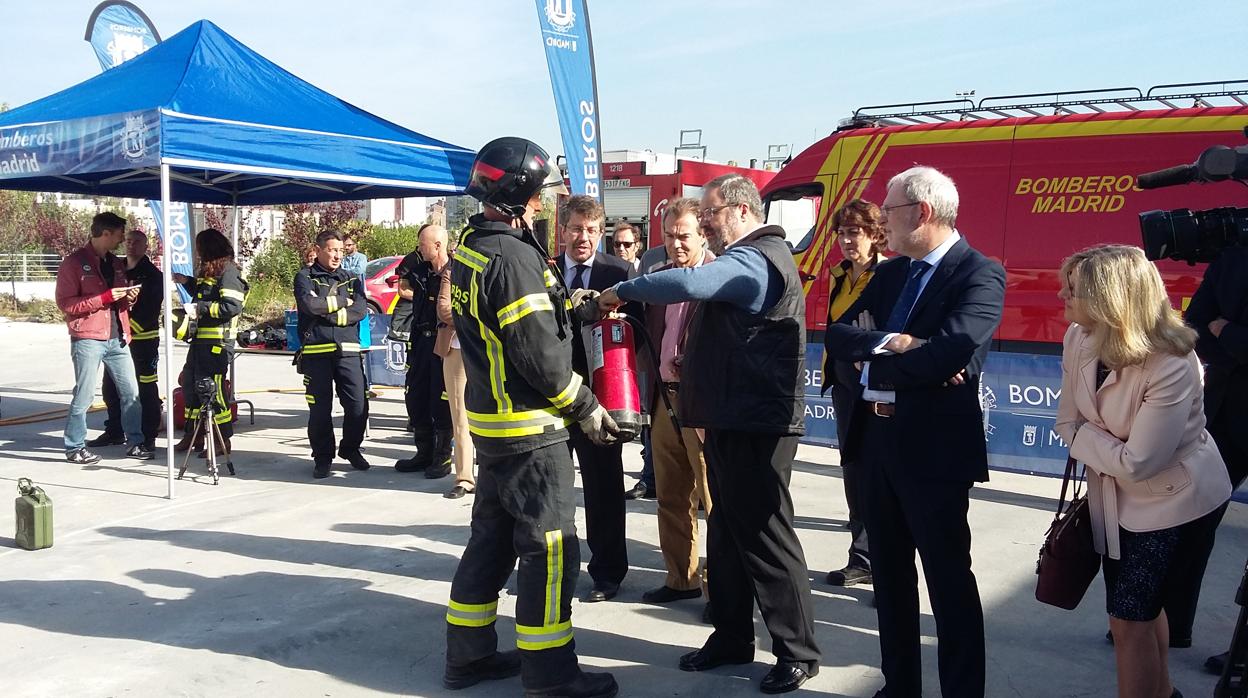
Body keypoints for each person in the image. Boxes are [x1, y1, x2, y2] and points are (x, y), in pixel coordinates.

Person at [599, 173, 821, 694]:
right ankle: (730, 636)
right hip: (731, 417)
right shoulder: (749, 256)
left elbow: (688, 282)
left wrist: (621, 289)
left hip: (757, 424)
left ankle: (798, 652)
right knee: (726, 535)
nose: (704, 223)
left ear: (742, 212)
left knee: (766, 538)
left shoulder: (756, 258)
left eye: (711, 213)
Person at [442, 137, 619, 697]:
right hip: (531, 430)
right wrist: (587, 407)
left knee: (490, 543)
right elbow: (541, 358)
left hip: (493, 428)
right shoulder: (514, 258)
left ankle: (466, 658)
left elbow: (516, 322)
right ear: (519, 195)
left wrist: (579, 307)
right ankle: (550, 673)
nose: (544, 203)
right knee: (550, 549)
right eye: (540, 193)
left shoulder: (474, 244)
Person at [823, 166, 1003, 698]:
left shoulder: (978, 273)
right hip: (875, 444)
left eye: (890, 210)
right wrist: (899, 346)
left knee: (949, 584)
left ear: (921, 213)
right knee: (891, 583)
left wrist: (875, 356)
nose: (882, 220)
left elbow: (951, 354)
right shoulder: (890, 274)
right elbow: (836, 336)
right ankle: (898, 685)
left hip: (933, 453)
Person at [1054, 244, 1232, 698]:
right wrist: (1091, 438)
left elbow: (1140, 462)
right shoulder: (1078, 336)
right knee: (1140, 612)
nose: (1062, 297)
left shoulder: (1172, 361)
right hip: (1115, 501)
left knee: (1127, 621)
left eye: (1073, 291)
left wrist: (1085, 437)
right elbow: (1064, 421)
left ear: (1109, 300)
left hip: (1176, 502)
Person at [634, 197, 715, 608]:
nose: (675, 243)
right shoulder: (659, 279)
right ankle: (680, 578)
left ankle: (720, 590)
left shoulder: (721, 277)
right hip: (663, 399)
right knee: (670, 493)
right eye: (668, 235)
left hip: (703, 404)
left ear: (703, 233)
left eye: (684, 235)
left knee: (712, 500)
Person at [557, 194, 632, 603]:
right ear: (564, 230)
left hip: (601, 398)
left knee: (604, 486)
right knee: (552, 487)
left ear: (600, 233)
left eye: (590, 230)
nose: (582, 237)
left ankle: (608, 572)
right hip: (552, 394)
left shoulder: (619, 271)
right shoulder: (546, 269)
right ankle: (553, 567)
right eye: (575, 229)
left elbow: (635, 335)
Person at [1182, 245, 1248, 674]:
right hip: (1224, 411)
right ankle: (1163, 623)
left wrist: (1229, 332)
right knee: (1190, 518)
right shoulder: (1234, 254)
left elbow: (1215, 326)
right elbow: (1194, 324)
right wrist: (1225, 334)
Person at [819, 200, 888, 588]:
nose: (846, 240)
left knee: (881, 477)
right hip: (845, 388)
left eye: (855, 232)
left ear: (875, 233)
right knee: (854, 474)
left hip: (879, 388)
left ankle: (889, 568)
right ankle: (861, 557)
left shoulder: (890, 273)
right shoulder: (839, 275)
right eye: (842, 232)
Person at [55, 211, 149, 463]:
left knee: (131, 392)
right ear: (105, 233)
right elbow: (66, 304)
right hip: (88, 338)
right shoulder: (73, 263)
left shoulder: (115, 263)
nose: (122, 241)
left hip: (118, 337)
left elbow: (118, 297)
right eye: (119, 235)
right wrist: (105, 298)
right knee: (85, 394)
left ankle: (136, 442)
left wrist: (129, 298)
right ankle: (74, 446)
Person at [293, 230, 370, 479]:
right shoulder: (305, 277)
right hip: (316, 353)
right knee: (320, 410)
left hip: (348, 352)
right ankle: (323, 458)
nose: (338, 255)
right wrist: (340, 303)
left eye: (340, 250)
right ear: (318, 250)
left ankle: (350, 449)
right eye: (332, 250)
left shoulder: (352, 279)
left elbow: (360, 310)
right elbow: (309, 305)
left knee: (358, 404)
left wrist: (328, 310)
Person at [173, 229, 249, 457]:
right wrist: (187, 283)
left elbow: (232, 306)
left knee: (212, 391)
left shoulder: (228, 272)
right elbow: (205, 293)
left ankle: (221, 439)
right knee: (190, 385)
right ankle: (193, 434)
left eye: (199, 248)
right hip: (200, 342)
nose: (197, 253)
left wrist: (201, 309)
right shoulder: (210, 270)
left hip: (217, 343)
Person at [94, 229, 164, 452]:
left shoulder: (153, 275)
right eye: (129, 241)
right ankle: (115, 431)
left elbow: (150, 310)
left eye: (137, 242)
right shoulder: (116, 269)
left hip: (143, 341)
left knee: (145, 389)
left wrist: (128, 330)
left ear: (145, 247)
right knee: (111, 387)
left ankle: (148, 435)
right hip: (117, 340)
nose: (132, 245)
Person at [393, 224, 453, 478]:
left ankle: (442, 457)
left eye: (423, 245)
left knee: (441, 401)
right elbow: (402, 273)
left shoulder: (455, 272)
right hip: (420, 342)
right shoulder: (420, 271)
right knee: (416, 398)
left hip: (444, 344)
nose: (419, 249)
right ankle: (423, 453)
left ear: (438, 246)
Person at [435, 238, 475, 499]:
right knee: (460, 414)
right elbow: (443, 309)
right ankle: (464, 477)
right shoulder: (451, 271)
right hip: (457, 350)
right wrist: (475, 319)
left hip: (488, 351)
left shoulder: (491, 268)